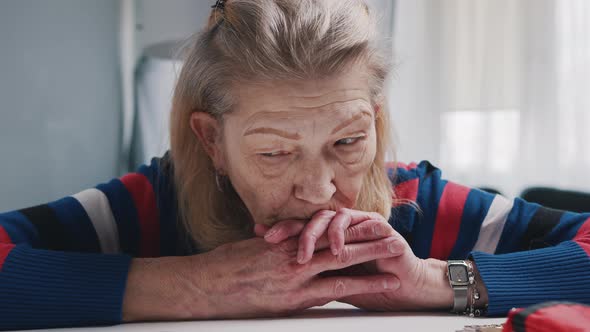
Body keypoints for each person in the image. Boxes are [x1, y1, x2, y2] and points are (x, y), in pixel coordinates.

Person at [1, 0, 589, 330]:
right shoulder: (152, 202)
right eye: (275, 152)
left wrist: (434, 281)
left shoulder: (418, 202)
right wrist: (192, 287)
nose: (318, 189)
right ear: (211, 142)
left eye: (348, 141)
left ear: (377, 122)